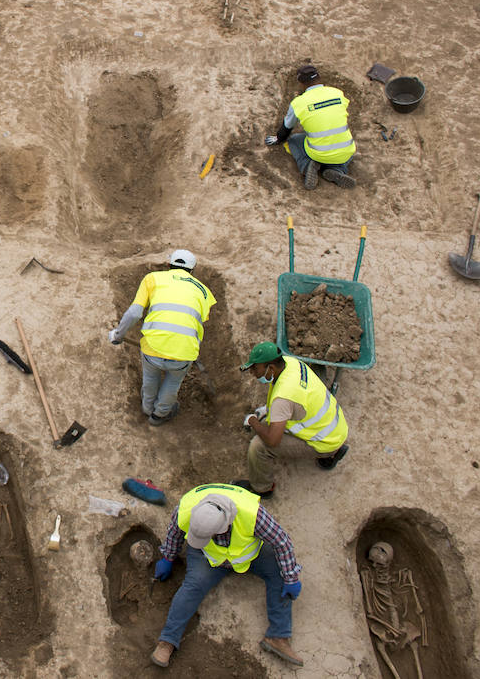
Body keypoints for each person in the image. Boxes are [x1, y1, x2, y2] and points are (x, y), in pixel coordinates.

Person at [150, 483, 304, 669]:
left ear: (224, 526)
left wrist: (290, 578)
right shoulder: (186, 508)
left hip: (250, 555)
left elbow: (282, 542)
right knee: (193, 586)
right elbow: (175, 532)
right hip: (208, 557)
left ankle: (278, 636)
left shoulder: (252, 515)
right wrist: (168, 557)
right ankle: (167, 641)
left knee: (282, 571)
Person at [107, 250, 216, 426]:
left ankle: (147, 407)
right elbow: (196, 323)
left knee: (150, 379)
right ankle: (159, 415)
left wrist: (118, 335)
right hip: (184, 352)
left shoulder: (153, 279)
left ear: (168, 266)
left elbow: (135, 313)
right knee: (173, 383)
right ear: (193, 271)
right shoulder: (204, 291)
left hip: (153, 347)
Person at [234, 341, 350, 498]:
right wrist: (269, 411)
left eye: (255, 368)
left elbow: (273, 441)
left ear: (271, 368)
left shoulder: (283, 398)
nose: (252, 373)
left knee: (258, 446)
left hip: (325, 441)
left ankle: (262, 488)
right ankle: (333, 453)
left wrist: (253, 421)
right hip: (336, 428)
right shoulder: (291, 363)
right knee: (270, 422)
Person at [264, 65, 358, 190]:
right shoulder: (337, 93)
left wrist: (278, 139)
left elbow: (287, 128)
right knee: (344, 149)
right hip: (346, 150)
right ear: (319, 78)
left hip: (318, 153)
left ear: (301, 84)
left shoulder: (298, 103)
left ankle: (307, 165)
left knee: (294, 140)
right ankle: (338, 170)